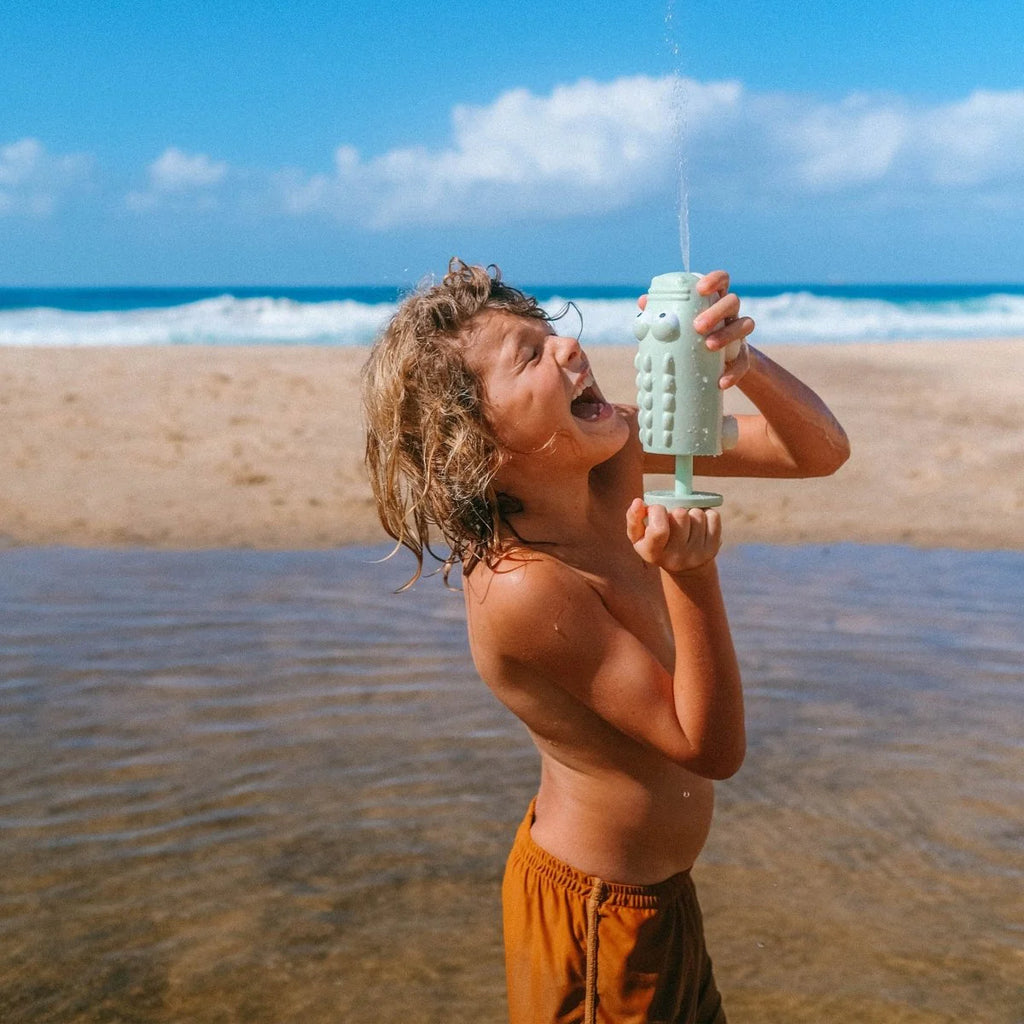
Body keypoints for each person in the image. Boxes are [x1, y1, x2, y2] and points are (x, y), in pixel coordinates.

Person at [361, 258, 849, 1024]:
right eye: (530, 356)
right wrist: (691, 576)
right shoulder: (525, 587)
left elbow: (817, 451)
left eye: (549, 334)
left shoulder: (615, 447)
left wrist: (743, 366)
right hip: (598, 917)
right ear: (479, 445)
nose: (569, 350)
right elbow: (708, 747)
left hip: (659, 898)